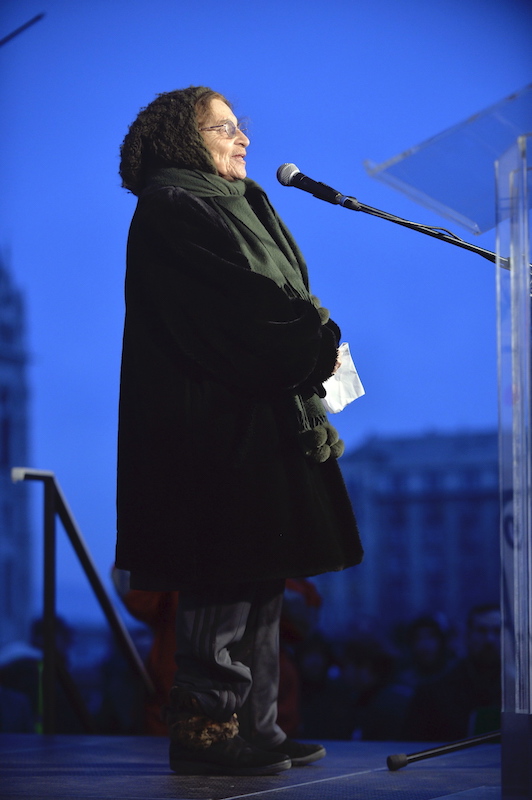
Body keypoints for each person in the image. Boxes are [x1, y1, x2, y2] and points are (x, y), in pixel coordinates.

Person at [115, 86, 363, 776]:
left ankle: (256, 730)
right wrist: (310, 337)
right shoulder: (174, 207)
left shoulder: (228, 201)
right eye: (225, 127)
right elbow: (234, 310)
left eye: (240, 125)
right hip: (209, 432)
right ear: (181, 140)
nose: (243, 137)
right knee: (222, 581)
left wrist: (309, 338)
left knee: (257, 580)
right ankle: (210, 736)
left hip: (253, 418)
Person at [403, 604, 501, 741]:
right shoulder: (433, 693)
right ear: (468, 635)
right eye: (481, 631)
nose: (489, 639)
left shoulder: (520, 690)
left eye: (498, 631)